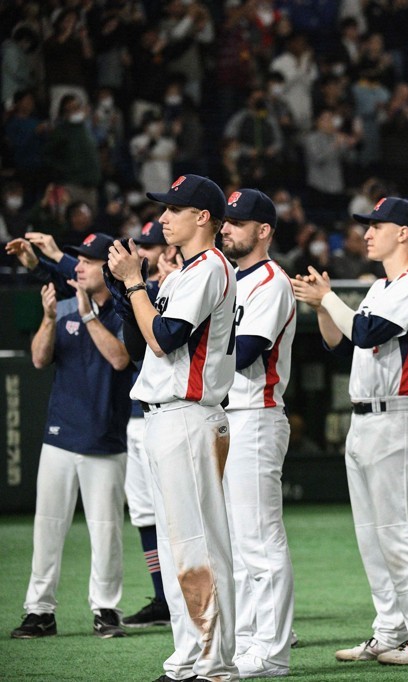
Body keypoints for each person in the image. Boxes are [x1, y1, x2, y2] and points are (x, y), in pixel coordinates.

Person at [291, 197, 408, 666]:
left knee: (398, 532)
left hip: (397, 417)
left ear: (404, 232)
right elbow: (340, 342)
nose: (366, 232)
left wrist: (331, 300)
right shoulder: (382, 285)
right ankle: (390, 628)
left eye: (377, 225)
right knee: (371, 535)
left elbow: (368, 331)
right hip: (365, 420)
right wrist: (323, 305)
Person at [107, 174, 238, 682]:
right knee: (181, 545)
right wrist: (129, 286)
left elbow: (163, 339)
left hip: (189, 416)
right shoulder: (187, 271)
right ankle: (189, 659)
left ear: (202, 217)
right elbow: (145, 337)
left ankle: (213, 664)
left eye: (173, 209)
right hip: (168, 418)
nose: (163, 217)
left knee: (198, 546)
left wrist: (138, 282)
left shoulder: (208, 269)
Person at [9, 232, 133, 640]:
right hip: (59, 435)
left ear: (107, 267)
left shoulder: (126, 309)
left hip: (104, 439)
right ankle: (40, 611)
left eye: (88, 261)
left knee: (106, 529)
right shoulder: (63, 307)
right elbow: (40, 358)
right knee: (47, 526)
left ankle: (106, 610)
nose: (78, 266)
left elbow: (119, 359)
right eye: (77, 259)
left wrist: (89, 316)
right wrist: (48, 318)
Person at [220, 189, 297, 677]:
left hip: (255, 413)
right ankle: (248, 641)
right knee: (236, 543)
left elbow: (246, 350)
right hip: (227, 417)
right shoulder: (228, 279)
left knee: (260, 541)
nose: (226, 227)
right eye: (225, 220)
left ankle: (270, 651)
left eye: (238, 221)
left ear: (263, 229)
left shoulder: (271, 281)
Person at [120, 220, 176, 630]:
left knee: (181, 515)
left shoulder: (178, 284)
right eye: (142, 246)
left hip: (180, 410)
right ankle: (161, 597)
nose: (145, 253)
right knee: (143, 512)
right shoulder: (144, 289)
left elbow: (160, 340)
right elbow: (133, 346)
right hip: (142, 411)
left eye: (151, 247)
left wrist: (144, 287)